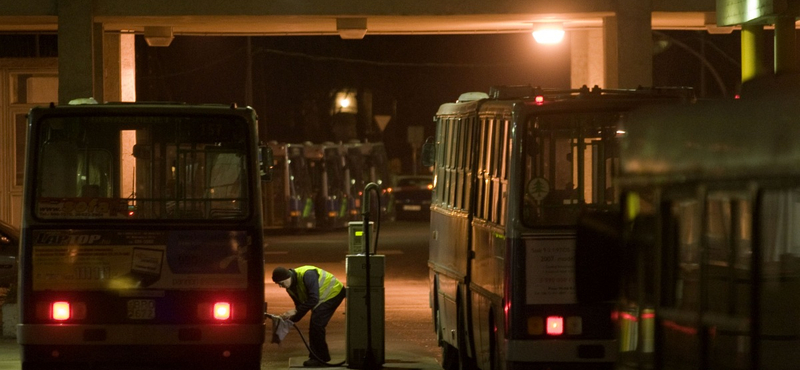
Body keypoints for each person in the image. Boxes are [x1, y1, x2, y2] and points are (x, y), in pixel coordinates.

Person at [272, 265, 346, 367]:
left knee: (316, 325)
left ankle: (320, 358)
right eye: (278, 284)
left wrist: (295, 311)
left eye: (281, 283)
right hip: (321, 299)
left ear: (287, 277)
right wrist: (290, 319)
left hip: (333, 292)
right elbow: (300, 306)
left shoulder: (308, 275)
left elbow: (313, 299)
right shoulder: (290, 288)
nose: (281, 286)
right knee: (315, 325)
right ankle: (318, 357)